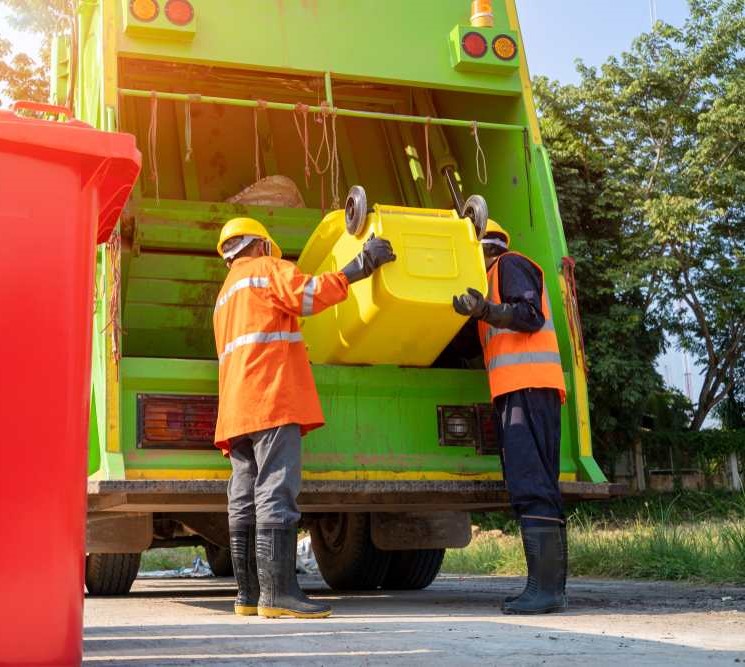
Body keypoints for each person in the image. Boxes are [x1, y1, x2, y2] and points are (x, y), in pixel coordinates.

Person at [213, 217, 395, 619]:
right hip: (272, 397)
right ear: (260, 245)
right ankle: (278, 595)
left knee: (243, 496)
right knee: (275, 490)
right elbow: (309, 296)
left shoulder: (225, 295)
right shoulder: (267, 269)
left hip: (237, 408)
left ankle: (248, 595)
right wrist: (361, 265)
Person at [452, 220, 567, 615]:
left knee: (531, 482)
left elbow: (529, 315)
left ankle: (545, 591)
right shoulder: (489, 281)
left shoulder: (509, 265)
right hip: (521, 389)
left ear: (483, 248)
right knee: (533, 483)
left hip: (529, 387)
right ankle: (549, 589)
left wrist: (485, 309)